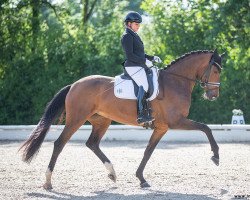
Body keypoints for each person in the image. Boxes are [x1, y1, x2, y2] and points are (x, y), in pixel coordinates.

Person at [121, 11, 162, 125]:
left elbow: (139, 53)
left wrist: (152, 57)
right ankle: (141, 114)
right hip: (132, 66)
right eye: (136, 24)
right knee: (144, 85)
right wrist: (144, 61)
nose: (138, 26)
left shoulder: (134, 35)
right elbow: (130, 55)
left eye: (139, 24)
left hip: (138, 64)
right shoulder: (127, 36)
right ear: (129, 24)